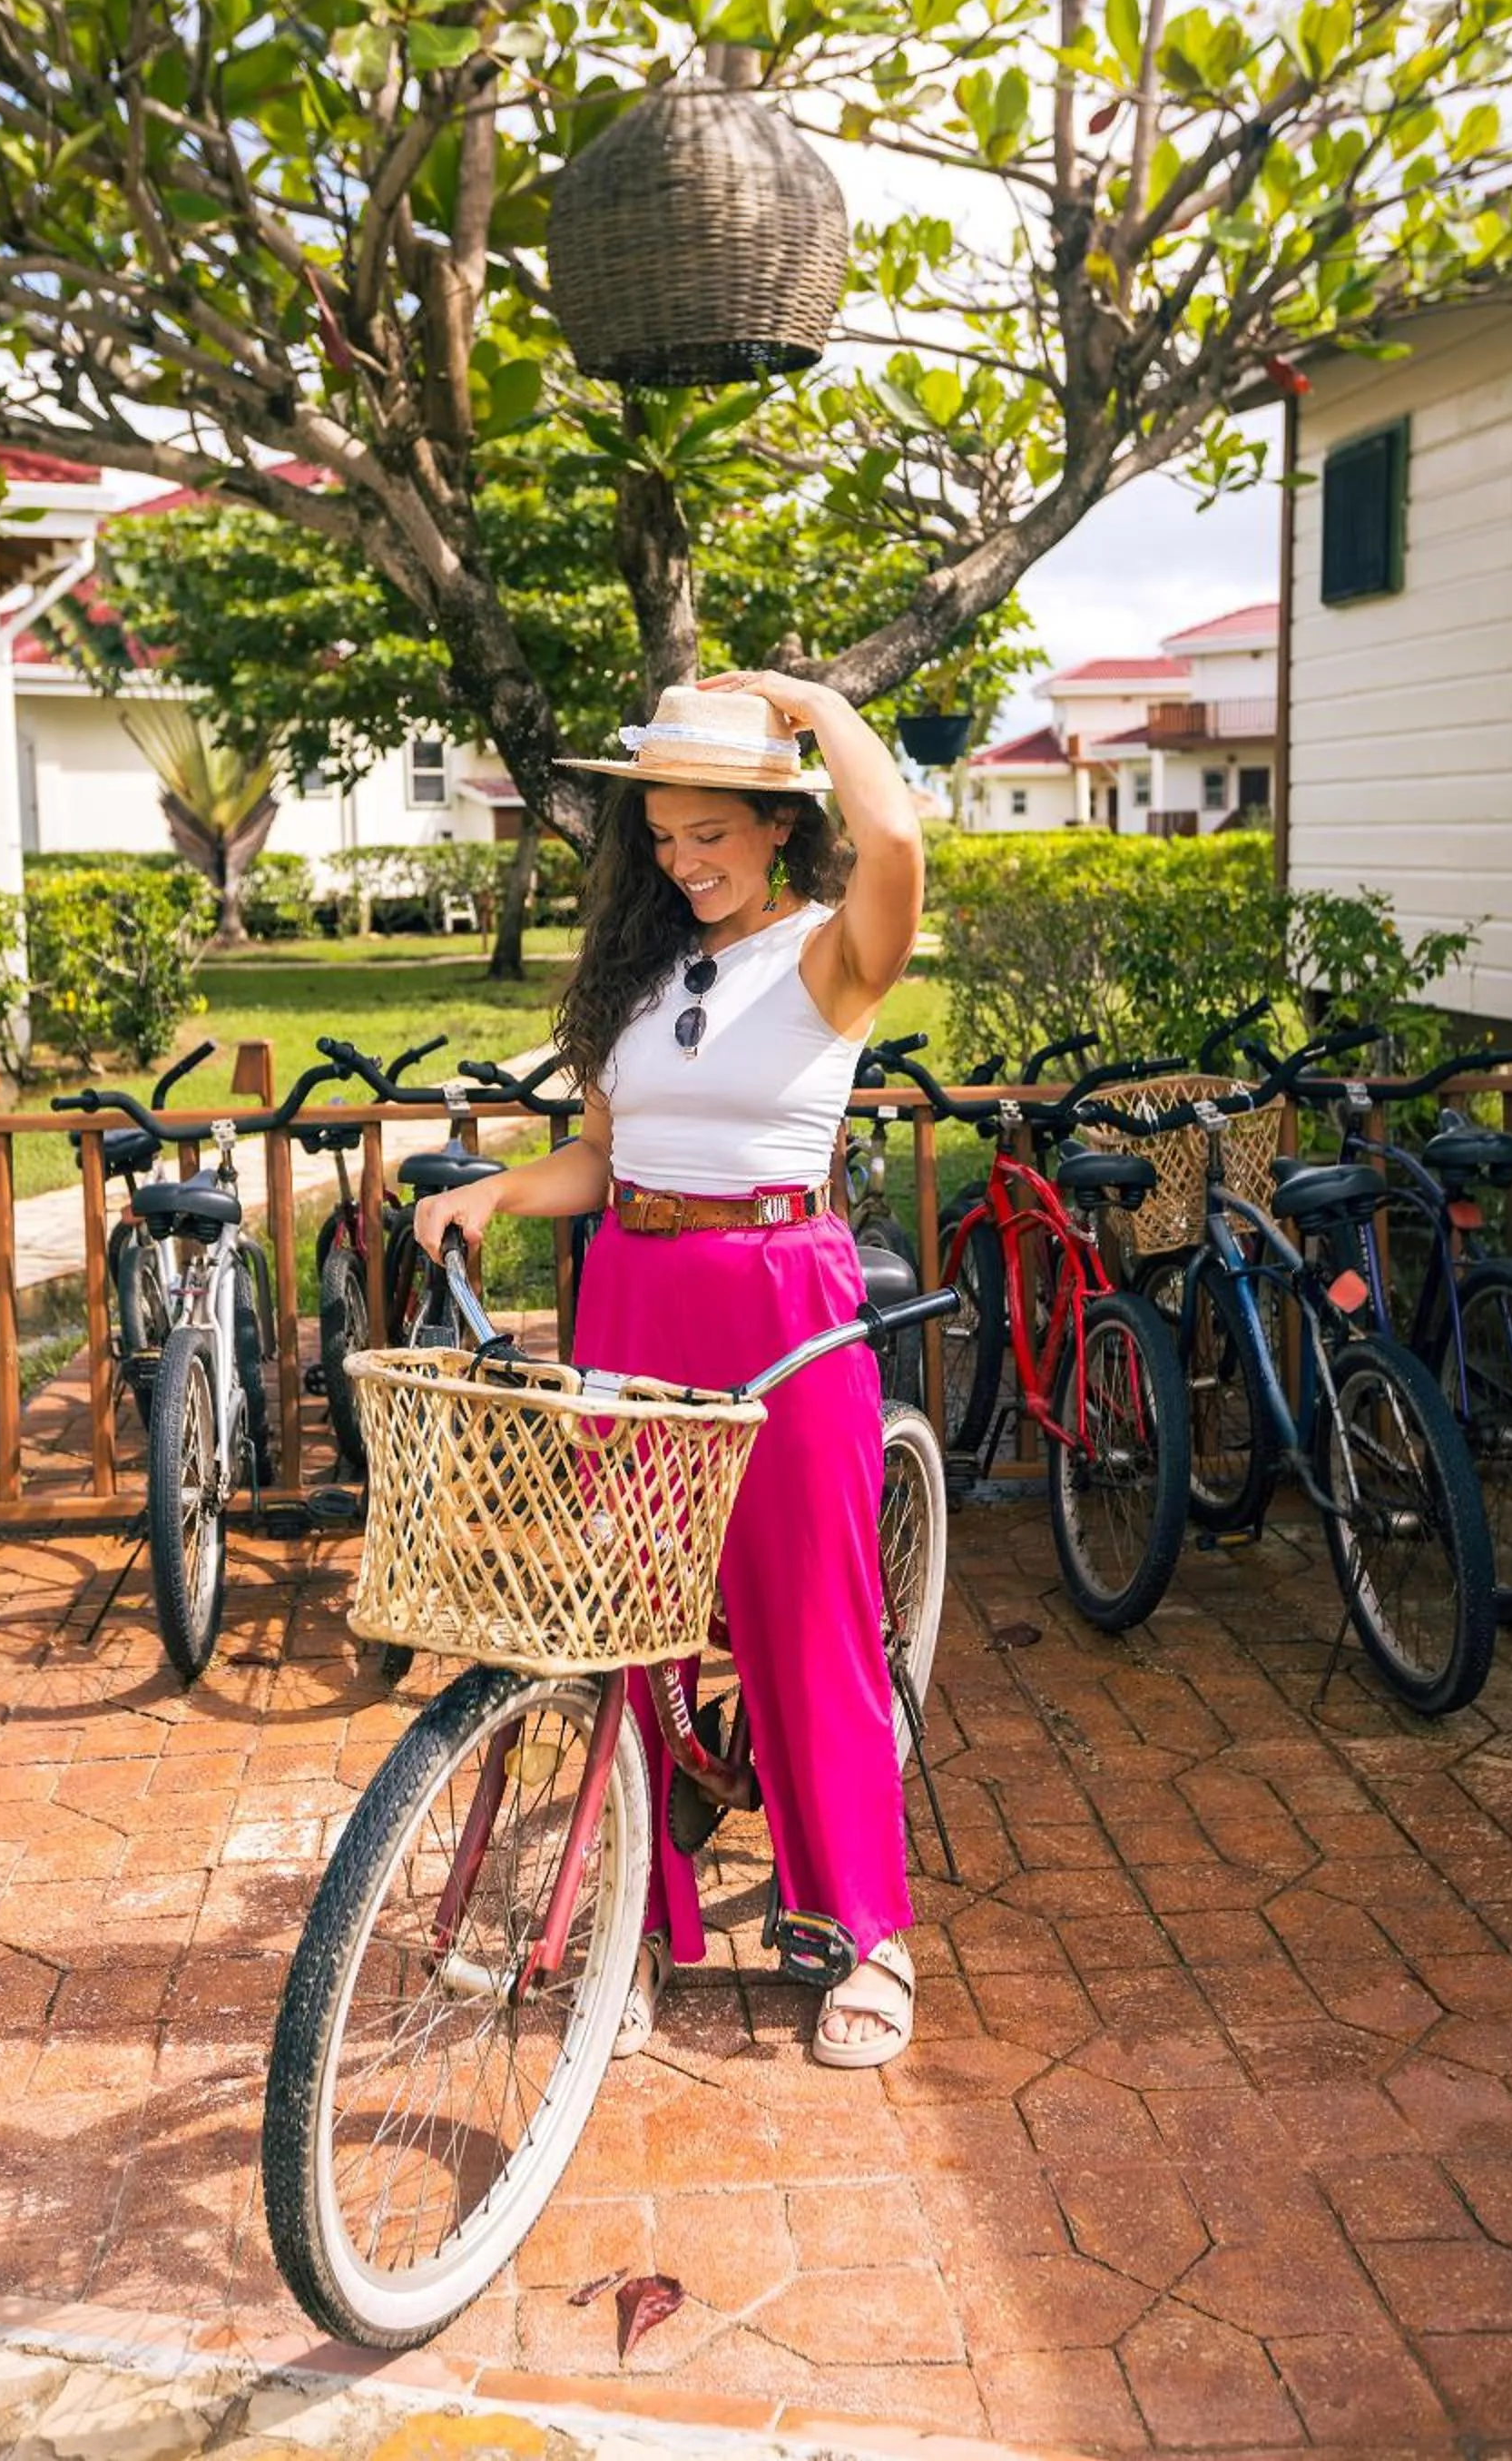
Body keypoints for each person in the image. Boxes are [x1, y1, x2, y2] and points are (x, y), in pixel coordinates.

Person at [413, 672, 925, 2068]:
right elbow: (607, 1157)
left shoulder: (833, 950)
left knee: (804, 1611)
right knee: (625, 1617)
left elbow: (898, 844)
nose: (683, 860)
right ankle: (635, 1917)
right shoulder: (640, 975)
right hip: (631, 1295)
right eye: (663, 835)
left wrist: (815, 702)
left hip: (778, 1295)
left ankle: (865, 1933)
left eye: (712, 831)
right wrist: (497, 1196)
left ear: (776, 826)